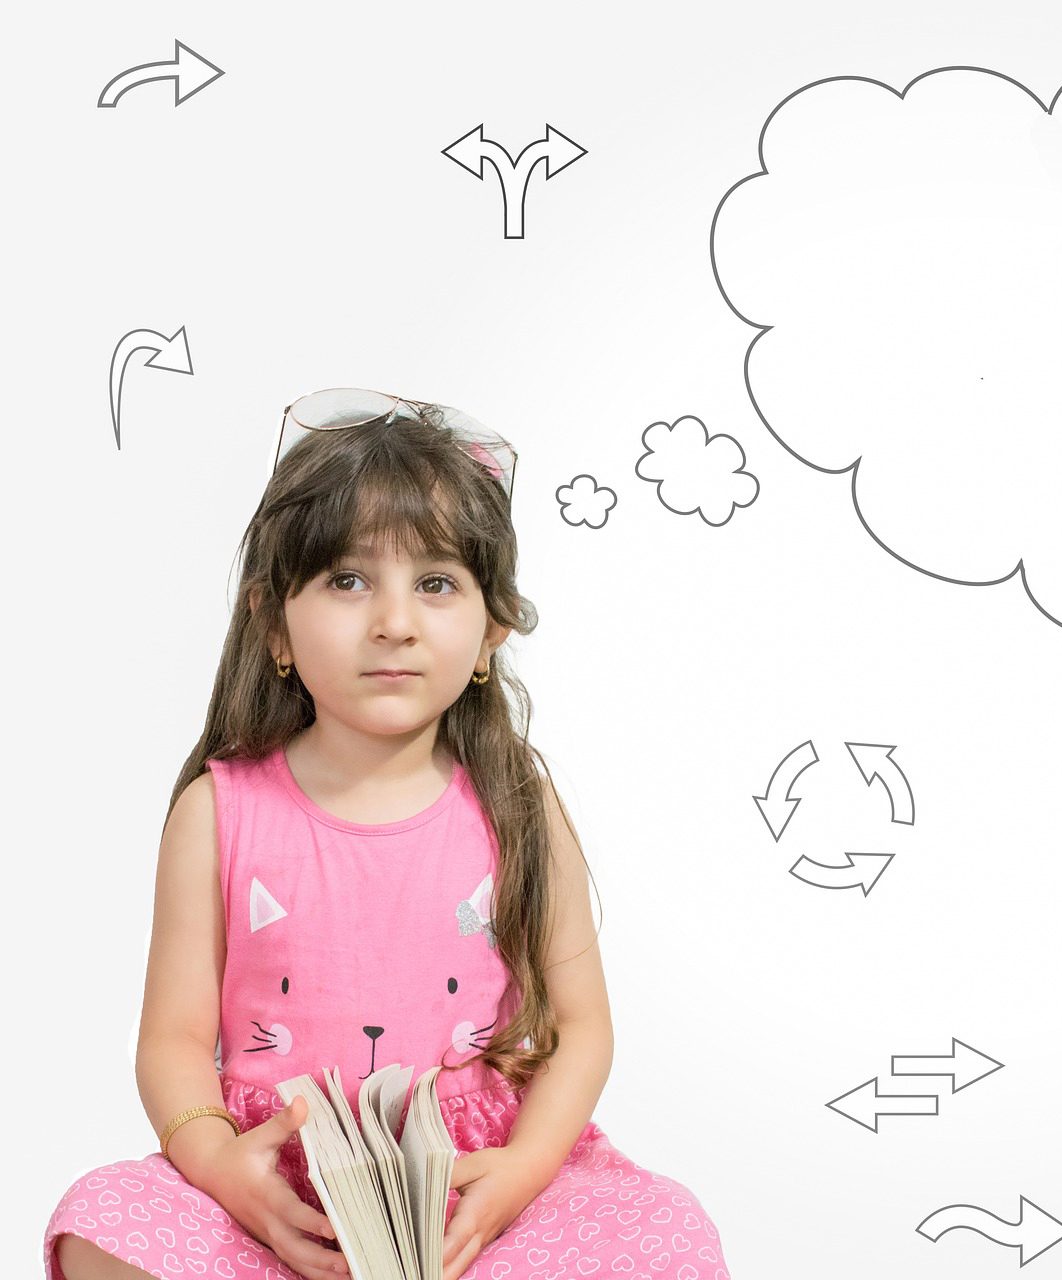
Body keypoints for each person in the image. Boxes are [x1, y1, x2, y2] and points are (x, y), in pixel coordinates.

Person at [44, 389, 732, 1280]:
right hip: (282, 1193)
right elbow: (172, 1042)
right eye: (347, 579)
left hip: (474, 1200)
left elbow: (582, 1027)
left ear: (491, 632)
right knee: (99, 1220)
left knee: (669, 1228)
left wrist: (521, 1175)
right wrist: (226, 1171)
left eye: (436, 583)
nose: (394, 622)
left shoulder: (517, 800)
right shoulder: (218, 811)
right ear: (272, 622)